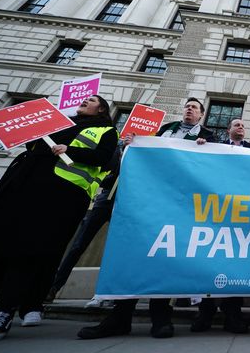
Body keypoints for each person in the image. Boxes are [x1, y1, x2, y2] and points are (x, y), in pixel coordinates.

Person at [0, 96, 118, 343]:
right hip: (17, 188)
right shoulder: (57, 121)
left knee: (22, 254)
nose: (83, 102)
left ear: (101, 109)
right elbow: (30, 146)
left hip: (55, 197)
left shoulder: (107, 130)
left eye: (90, 100)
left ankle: (4, 312)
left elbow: (103, 159)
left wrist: (70, 150)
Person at [77, 97, 215, 340]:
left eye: (194, 108)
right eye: (187, 106)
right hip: (146, 198)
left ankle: (161, 315)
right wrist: (133, 144)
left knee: (164, 252)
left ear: (201, 115)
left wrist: (207, 148)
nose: (189, 110)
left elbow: (214, 166)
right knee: (134, 250)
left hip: (178, 203)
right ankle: (120, 317)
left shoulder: (208, 136)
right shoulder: (165, 131)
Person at [190, 118, 250, 334]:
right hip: (217, 211)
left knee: (237, 262)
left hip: (241, 212)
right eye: (237, 124)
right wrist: (198, 146)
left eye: (243, 125)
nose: (241, 127)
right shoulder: (215, 146)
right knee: (211, 258)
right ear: (229, 130)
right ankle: (205, 313)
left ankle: (233, 314)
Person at [45, 146, 121, 307]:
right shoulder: (116, 150)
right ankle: (53, 287)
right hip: (105, 200)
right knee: (79, 244)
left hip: (126, 203)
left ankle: (109, 293)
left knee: (117, 250)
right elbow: (102, 172)